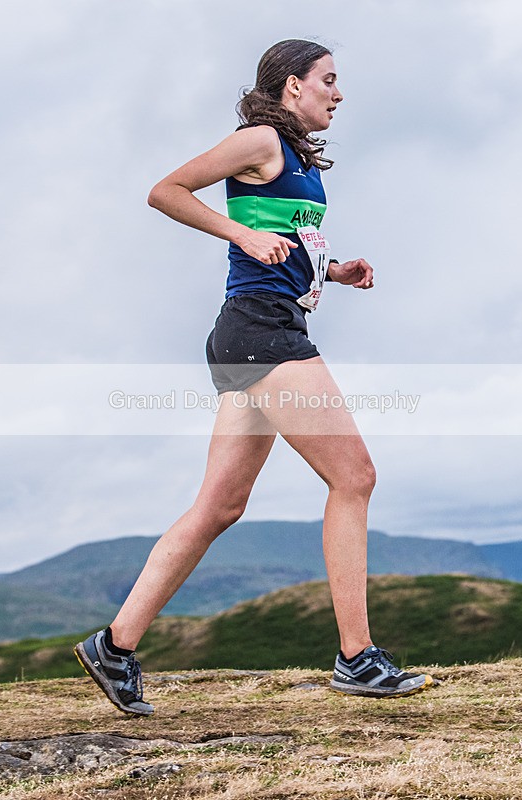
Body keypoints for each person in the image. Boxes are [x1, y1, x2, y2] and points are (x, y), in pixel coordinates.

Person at [74, 39, 434, 715]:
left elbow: (285, 245)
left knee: (220, 506)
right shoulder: (261, 138)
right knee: (355, 477)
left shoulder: (299, 159)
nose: (339, 92)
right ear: (292, 85)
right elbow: (165, 191)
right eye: (329, 79)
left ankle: (114, 647)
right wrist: (237, 236)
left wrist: (336, 271)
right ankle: (357, 658)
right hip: (262, 332)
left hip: (256, 331)